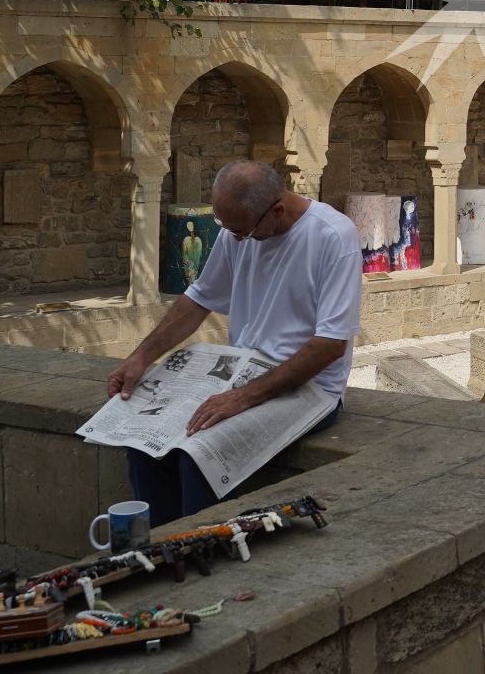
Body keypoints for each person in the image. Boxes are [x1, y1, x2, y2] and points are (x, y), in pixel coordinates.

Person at [107, 159, 362, 524]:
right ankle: (160, 553)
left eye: (242, 232)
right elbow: (198, 300)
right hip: (239, 372)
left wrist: (242, 397)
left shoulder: (333, 236)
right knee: (146, 447)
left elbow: (330, 344)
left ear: (276, 210)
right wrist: (139, 358)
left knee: (200, 454)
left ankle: (202, 555)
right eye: (228, 228)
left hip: (309, 388)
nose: (236, 239)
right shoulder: (237, 231)